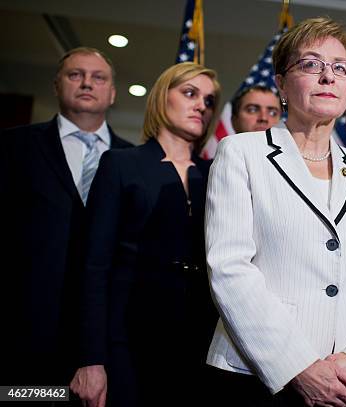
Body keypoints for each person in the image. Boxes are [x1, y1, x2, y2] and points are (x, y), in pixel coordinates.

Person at [205, 17, 346, 406]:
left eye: (340, 67)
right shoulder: (242, 153)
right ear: (281, 82)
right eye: (312, 65)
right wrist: (298, 366)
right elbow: (229, 268)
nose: (328, 77)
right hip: (259, 376)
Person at [70, 62, 220, 407]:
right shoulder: (121, 164)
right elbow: (94, 265)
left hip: (200, 338)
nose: (201, 105)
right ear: (161, 97)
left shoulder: (218, 173)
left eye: (209, 100)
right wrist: (91, 358)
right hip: (129, 333)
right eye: (189, 93)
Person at [0, 47, 132, 391]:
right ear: (57, 85)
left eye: (98, 77)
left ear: (113, 92)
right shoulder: (12, 147)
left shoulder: (134, 161)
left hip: (104, 339)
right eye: (75, 74)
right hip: (25, 332)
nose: (87, 83)